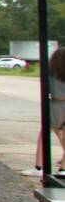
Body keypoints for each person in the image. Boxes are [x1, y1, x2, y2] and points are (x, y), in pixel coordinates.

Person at [21, 46, 65, 178]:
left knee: (45, 135)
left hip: (55, 105)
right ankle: (63, 168)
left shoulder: (51, 73)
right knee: (62, 135)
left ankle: (39, 166)